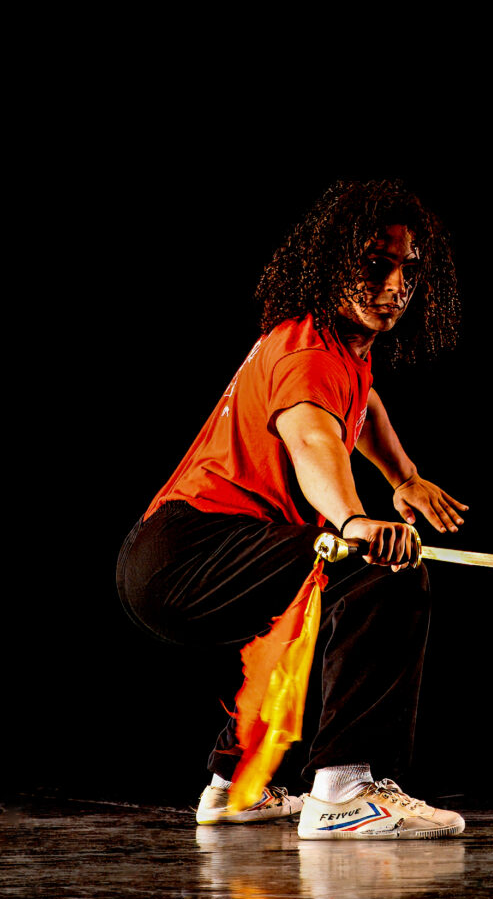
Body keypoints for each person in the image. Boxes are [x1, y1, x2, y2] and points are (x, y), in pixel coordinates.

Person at [116, 179, 468, 839]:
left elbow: (358, 414)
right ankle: (342, 793)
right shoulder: (307, 354)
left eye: (407, 267)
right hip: (190, 548)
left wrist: (406, 476)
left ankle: (234, 790)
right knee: (381, 574)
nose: (393, 285)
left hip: (170, 555)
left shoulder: (340, 350)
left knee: (310, 621)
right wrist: (353, 520)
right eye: (374, 262)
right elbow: (311, 435)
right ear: (331, 261)